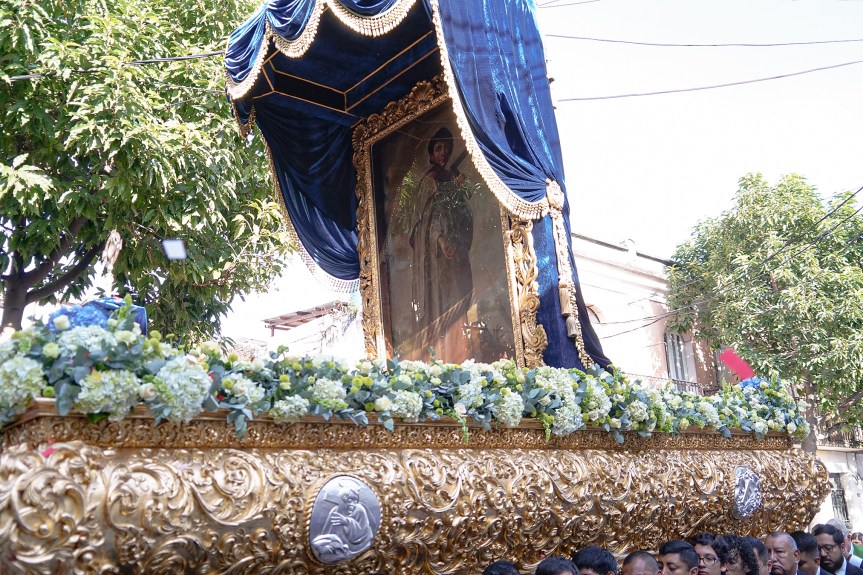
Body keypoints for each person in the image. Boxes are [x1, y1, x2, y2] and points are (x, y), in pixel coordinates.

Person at [409, 126, 475, 362]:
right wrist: (440, 239)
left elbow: (462, 216)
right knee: (442, 305)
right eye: (438, 148)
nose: (444, 152)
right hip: (437, 261)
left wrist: (457, 194)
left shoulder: (453, 180)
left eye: (447, 148)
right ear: (431, 155)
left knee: (459, 301)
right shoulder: (430, 181)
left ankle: (461, 355)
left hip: (455, 256)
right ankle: (442, 357)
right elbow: (425, 220)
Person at [310, 486, 374, 561]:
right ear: (343, 500)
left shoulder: (360, 510)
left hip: (358, 546)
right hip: (338, 544)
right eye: (349, 500)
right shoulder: (335, 510)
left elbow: (362, 532)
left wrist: (347, 522)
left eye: (355, 501)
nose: (352, 504)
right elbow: (327, 531)